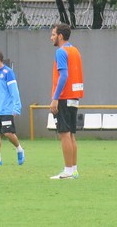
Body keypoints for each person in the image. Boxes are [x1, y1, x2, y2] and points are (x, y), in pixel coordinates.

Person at [49, 23, 84, 179]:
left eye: (53, 34)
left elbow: (63, 76)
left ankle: (68, 171)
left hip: (63, 97)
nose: (51, 37)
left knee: (64, 134)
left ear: (60, 36)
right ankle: (74, 170)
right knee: (71, 135)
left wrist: (55, 98)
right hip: (74, 96)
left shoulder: (61, 52)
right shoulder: (75, 50)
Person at [0, 49, 25, 166]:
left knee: (8, 133)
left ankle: (19, 149)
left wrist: (17, 107)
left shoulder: (8, 72)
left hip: (6, 109)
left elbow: (14, 91)